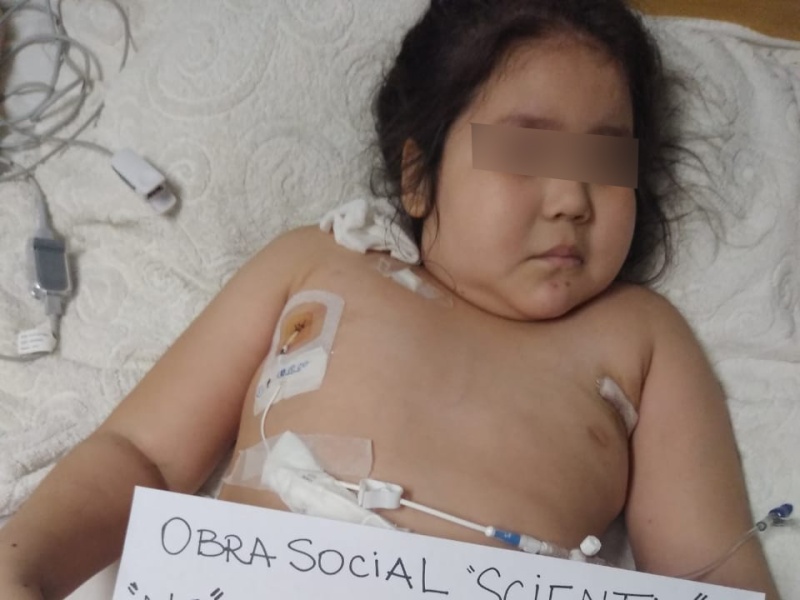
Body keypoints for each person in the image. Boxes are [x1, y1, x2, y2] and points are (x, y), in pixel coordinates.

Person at [0, 0, 782, 598]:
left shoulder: (638, 337)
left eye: (606, 162)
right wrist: (23, 567)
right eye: (526, 152)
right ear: (418, 177)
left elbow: (710, 569)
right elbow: (141, 452)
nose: (572, 199)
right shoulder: (323, 264)